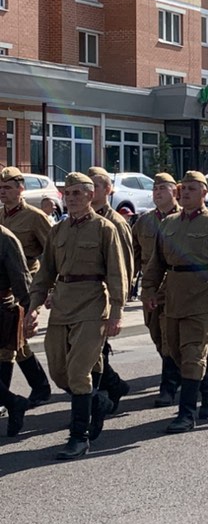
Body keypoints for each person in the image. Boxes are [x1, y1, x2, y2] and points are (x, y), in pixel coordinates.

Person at [24, 172, 127, 460]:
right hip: (62, 306)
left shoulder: (105, 229)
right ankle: (97, 401)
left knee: (79, 372)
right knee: (59, 371)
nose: (71, 199)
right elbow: (45, 273)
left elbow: (118, 274)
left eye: (78, 193)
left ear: (91, 195)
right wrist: (33, 306)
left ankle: (78, 437)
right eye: (67, 194)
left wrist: (116, 312)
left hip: (93, 305)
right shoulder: (58, 231)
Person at [141, 171, 208, 433]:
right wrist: (148, 289)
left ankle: (186, 414)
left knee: (193, 353)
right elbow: (156, 263)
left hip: (202, 297)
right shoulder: (169, 223)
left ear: (204, 194)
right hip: (173, 296)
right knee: (174, 352)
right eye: (183, 189)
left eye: (192, 189)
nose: (185, 193)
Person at [0, 167, 53, 408]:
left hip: (25, 281)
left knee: (9, 345)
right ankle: (40, 386)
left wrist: (49, 289)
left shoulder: (34, 217)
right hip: (5, 282)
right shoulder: (1, 217)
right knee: (16, 342)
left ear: (21, 188)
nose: (3, 193)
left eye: (8, 188)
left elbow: (53, 252)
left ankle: (8, 401)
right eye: (1, 189)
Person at [131, 172, 181, 407]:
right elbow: (135, 255)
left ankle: (169, 386)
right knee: (157, 335)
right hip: (151, 289)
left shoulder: (185, 219)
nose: (157, 192)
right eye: (155, 189)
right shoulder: (144, 221)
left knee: (173, 338)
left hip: (177, 287)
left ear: (175, 191)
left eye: (163, 188)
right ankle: (195, 374)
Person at [88, 166, 134, 413]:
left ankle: (94, 400)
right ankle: (113, 386)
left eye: (96, 185)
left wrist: (119, 303)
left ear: (108, 189)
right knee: (91, 352)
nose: (91, 190)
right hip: (83, 297)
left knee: (95, 352)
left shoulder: (116, 222)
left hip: (105, 295)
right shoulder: (80, 220)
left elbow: (126, 265)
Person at [0, 226, 34, 436]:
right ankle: (13, 402)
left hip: (1, 306)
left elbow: (21, 278)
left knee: (6, 357)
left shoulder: (5, 238)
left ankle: (14, 402)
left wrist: (31, 313)